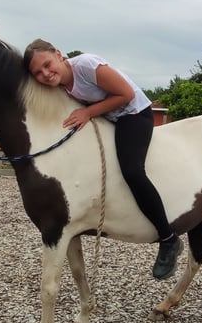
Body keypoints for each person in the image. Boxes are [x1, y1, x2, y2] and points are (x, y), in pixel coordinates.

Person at [23, 39, 183, 280]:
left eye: (47, 64)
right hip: (109, 118)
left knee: (132, 171)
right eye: (38, 72)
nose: (45, 74)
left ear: (58, 54)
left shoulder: (86, 66)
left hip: (133, 114)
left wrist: (88, 112)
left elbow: (126, 94)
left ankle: (168, 239)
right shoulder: (58, 86)